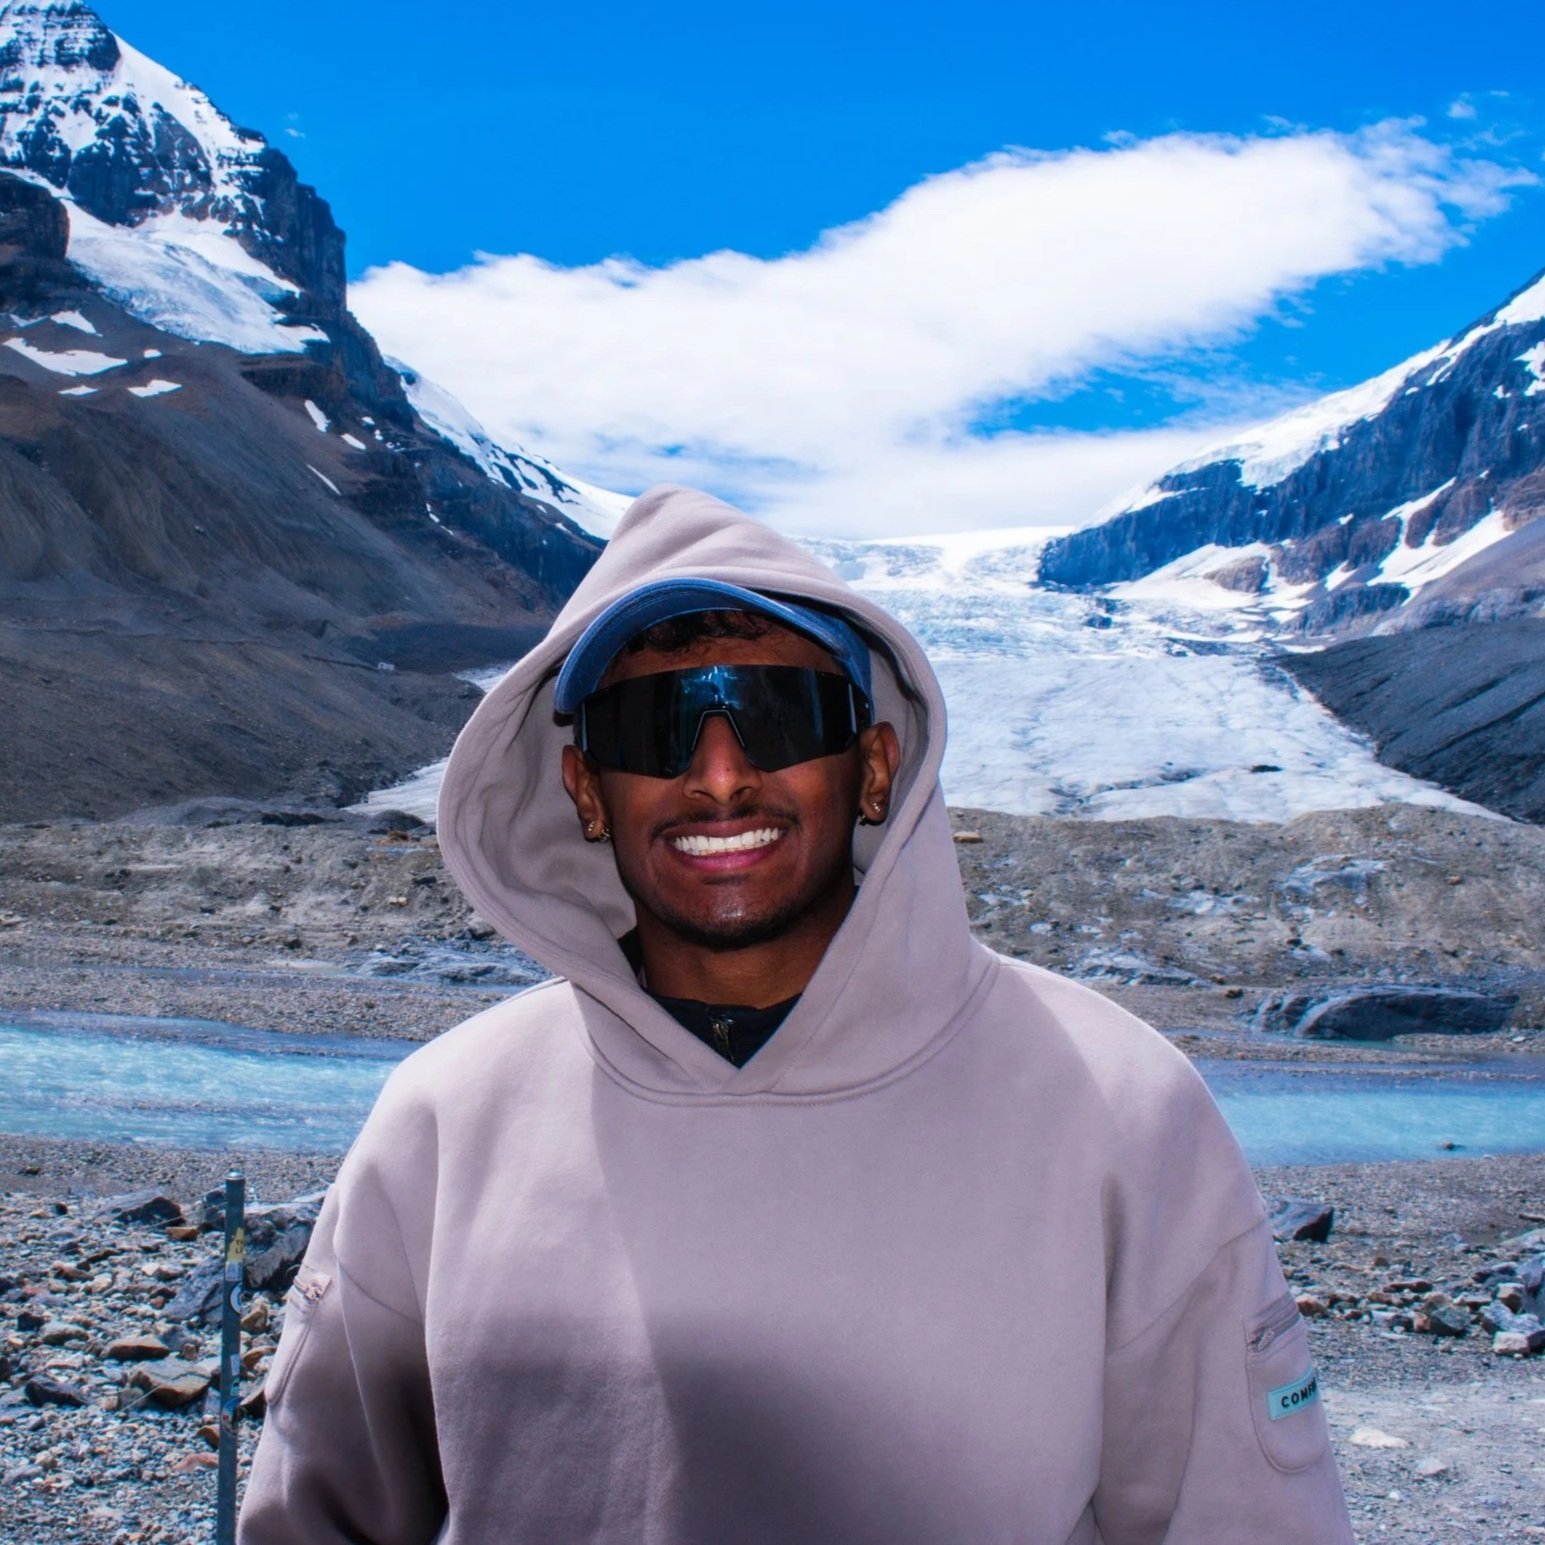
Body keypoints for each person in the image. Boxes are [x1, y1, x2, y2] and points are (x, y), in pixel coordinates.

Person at [240, 484, 1353, 1543]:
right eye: (655, 724)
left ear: (873, 767)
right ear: (585, 789)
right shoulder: (443, 1124)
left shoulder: (1121, 1111)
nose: (720, 776)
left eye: (778, 714)